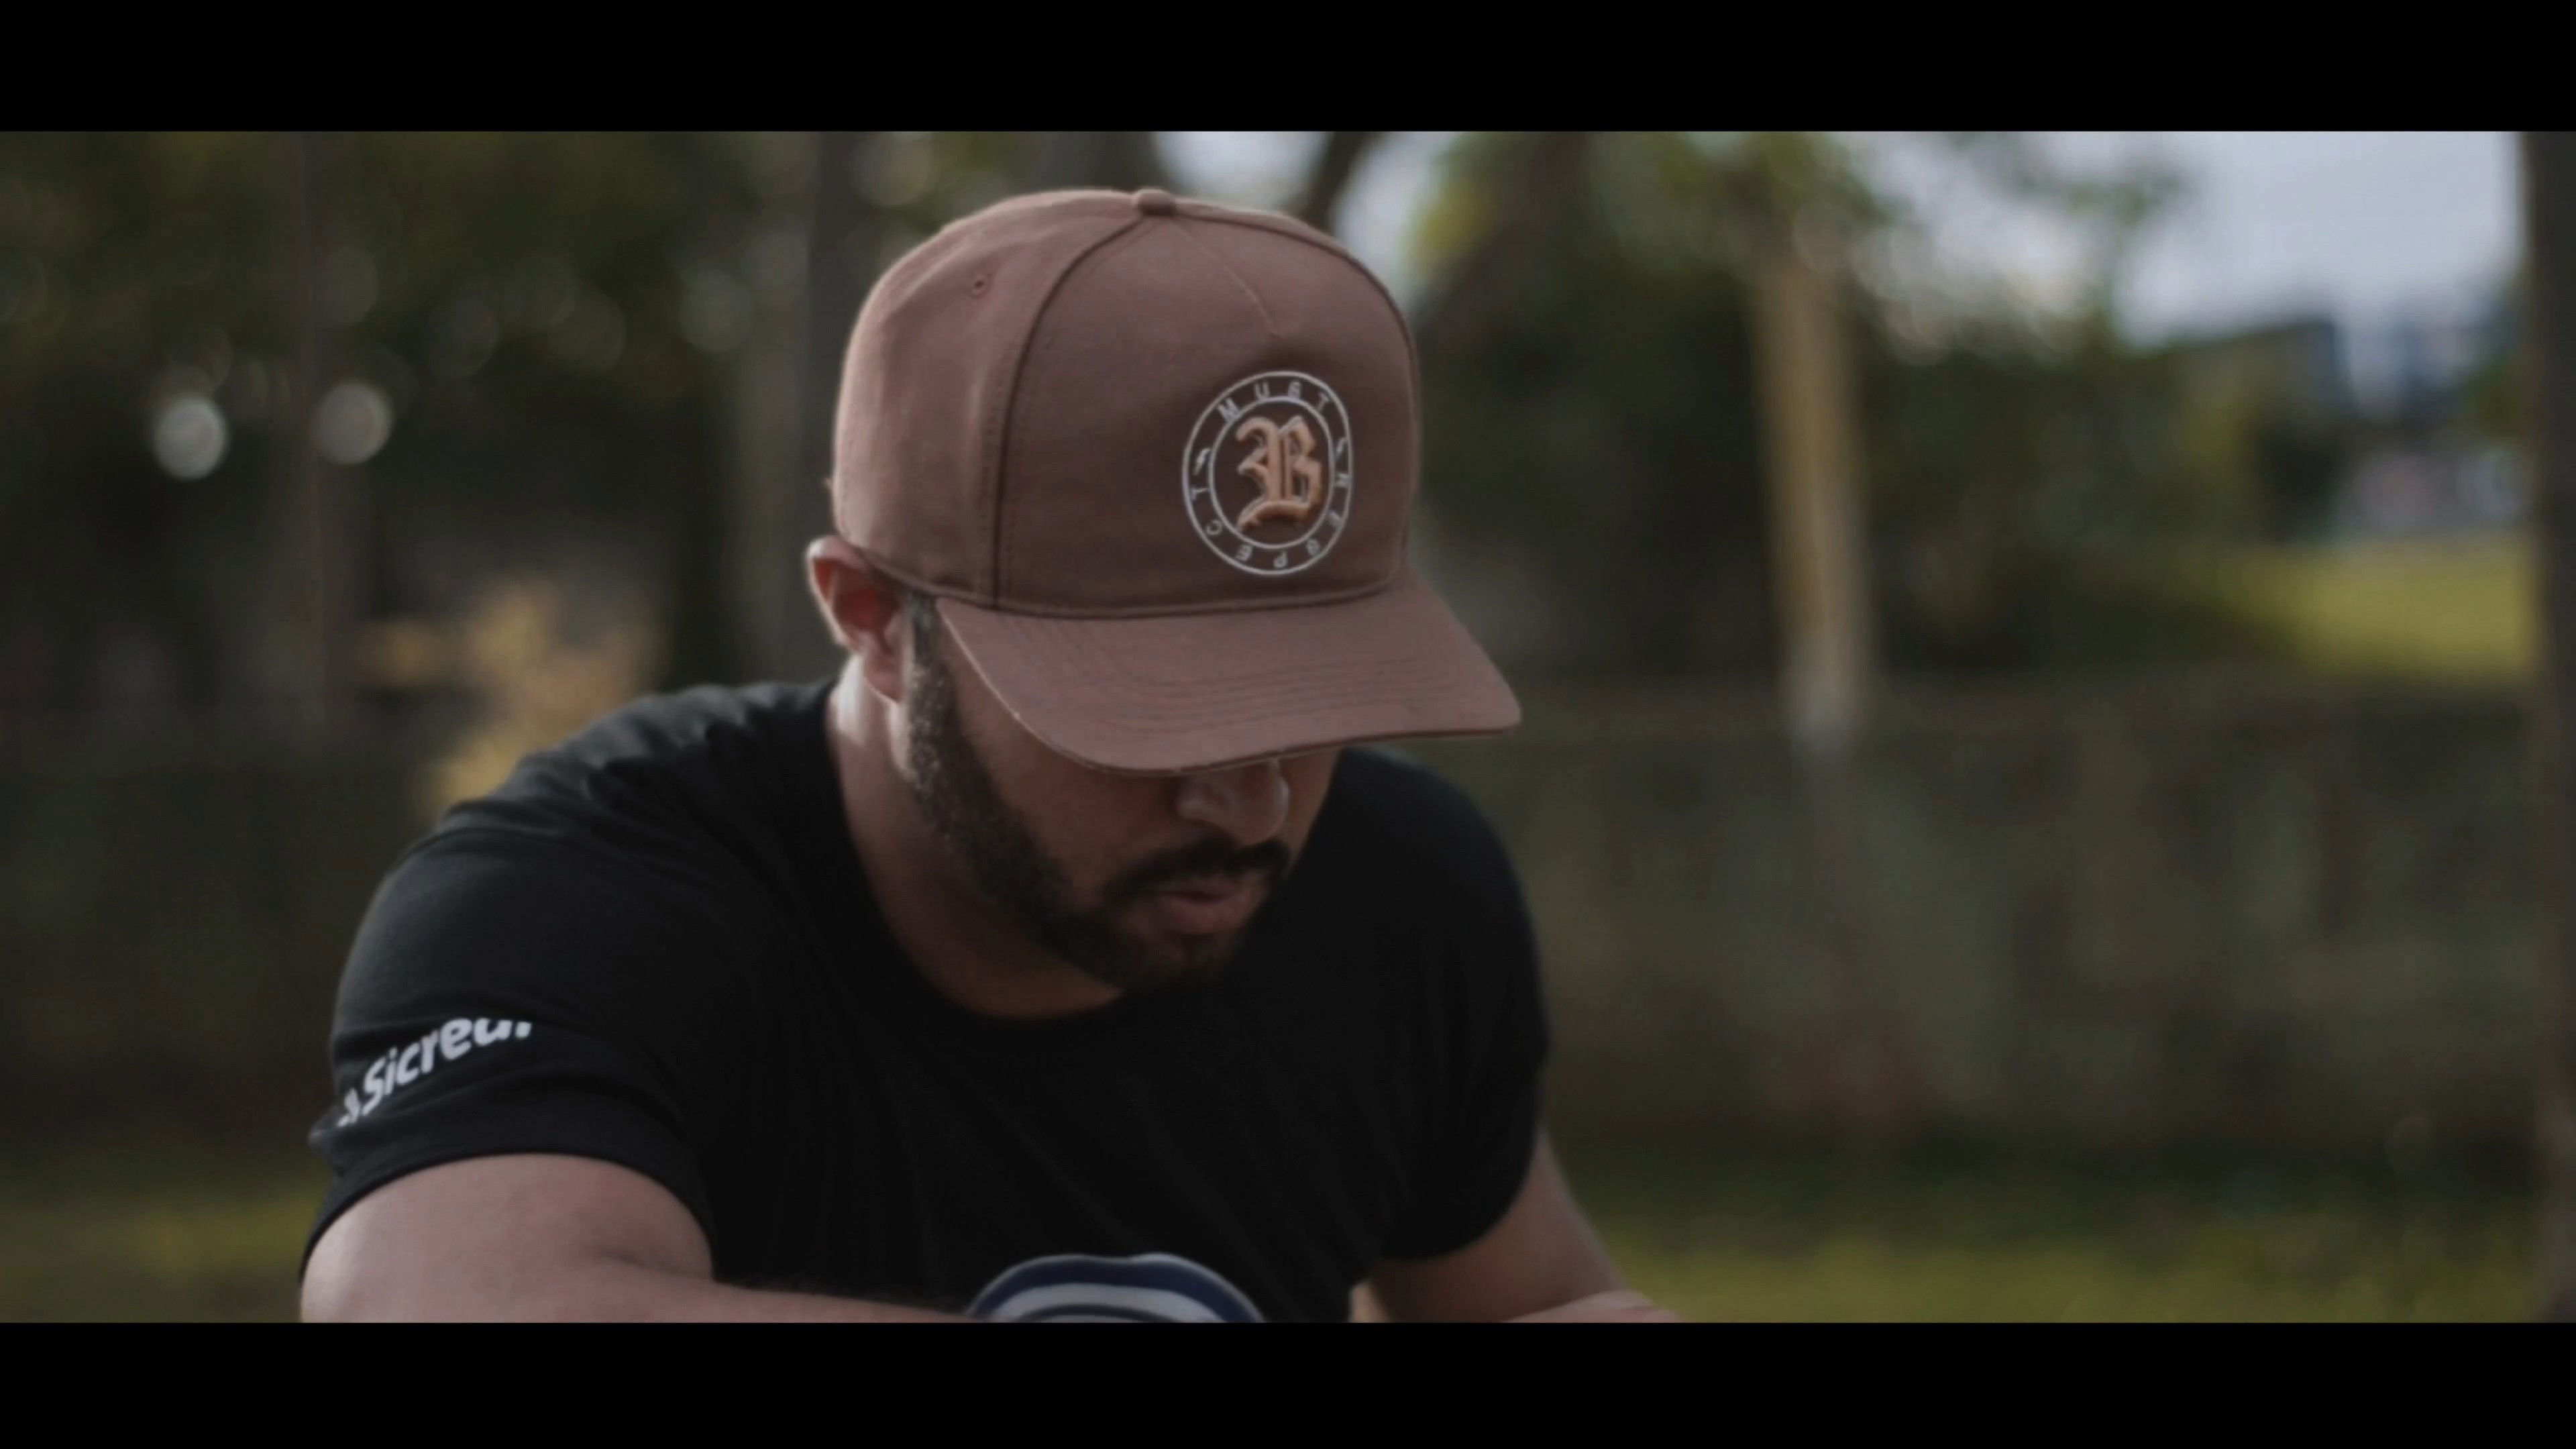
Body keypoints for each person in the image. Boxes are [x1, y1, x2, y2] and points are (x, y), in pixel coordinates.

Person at [297, 186, 1677, 1324]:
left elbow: (1533, 1301)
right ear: (874, 619)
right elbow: (427, 1302)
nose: (1252, 801)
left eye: (1313, 696)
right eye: (1151, 709)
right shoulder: (578, 905)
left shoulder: (1400, 895)